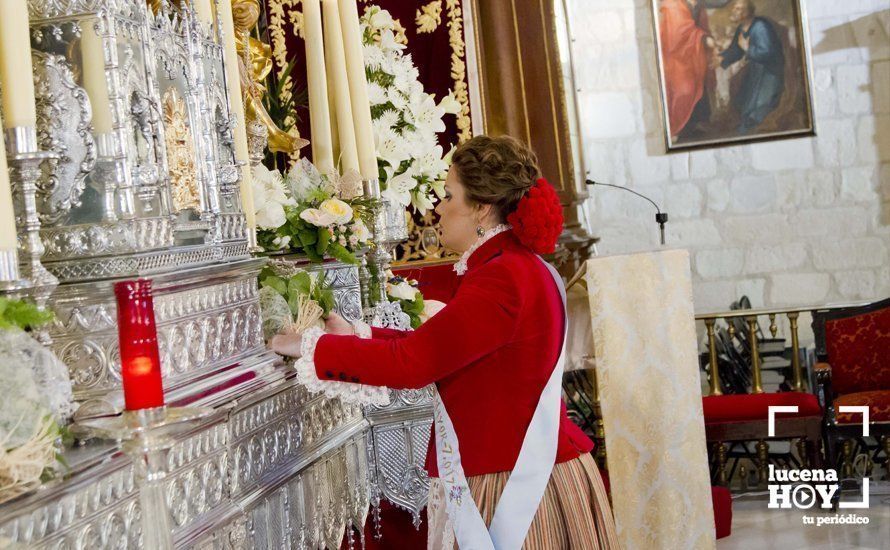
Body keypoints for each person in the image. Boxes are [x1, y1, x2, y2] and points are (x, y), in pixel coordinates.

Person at [270, 135, 619, 549]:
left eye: (449, 195)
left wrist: (310, 346)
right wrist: (355, 334)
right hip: (524, 470)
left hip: (510, 484)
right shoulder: (519, 267)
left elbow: (414, 362)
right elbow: (441, 345)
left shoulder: (501, 277)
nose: (438, 207)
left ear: (481, 208)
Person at [720, 0, 785, 133]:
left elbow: (767, 53)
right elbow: (735, 50)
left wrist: (747, 48)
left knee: (758, 109)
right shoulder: (741, 28)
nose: (733, 11)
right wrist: (721, 58)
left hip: (770, 73)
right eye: (734, 8)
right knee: (741, 102)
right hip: (756, 71)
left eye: (737, 9)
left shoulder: (760, 27)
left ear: (747, 12)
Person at [659, 0, 717, 140]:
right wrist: (703, 38)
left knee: (699, 82)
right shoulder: (672, 4)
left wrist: (706, 39)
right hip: (676, 58)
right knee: (684, 89)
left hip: (694, 55)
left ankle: (696, 123)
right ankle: (678, 127)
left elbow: (702, 27)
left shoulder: (699, 5)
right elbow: (677, 35)